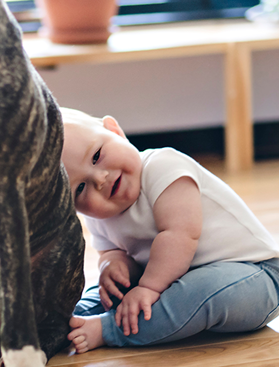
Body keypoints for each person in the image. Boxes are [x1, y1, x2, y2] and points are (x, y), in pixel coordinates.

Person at [59, 107, 279, 353]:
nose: (99, 179)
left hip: (254, 278)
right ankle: (63, 321)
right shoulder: (99, 217)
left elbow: (180, 235)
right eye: (79, 189)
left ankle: (109, 329)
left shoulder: (163, 167)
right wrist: (113, 266)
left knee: (201, 289)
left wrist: (149, 287)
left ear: (114, 131)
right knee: (110, 292)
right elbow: (111, 252)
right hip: (173, 281)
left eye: (97, 156)